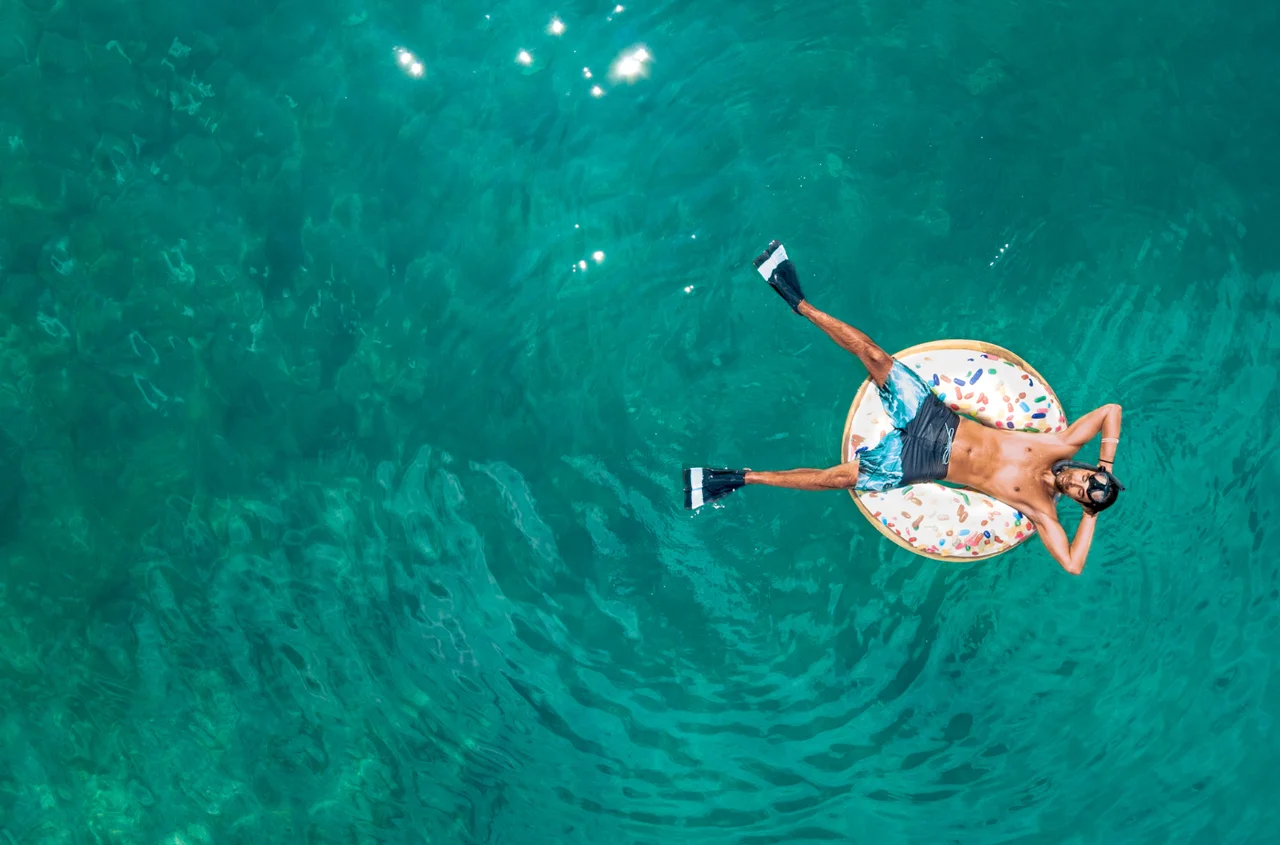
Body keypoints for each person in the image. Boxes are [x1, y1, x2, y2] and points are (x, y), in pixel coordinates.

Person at [683, 241, 1124, 575]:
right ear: (1087, 469)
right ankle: (797, 299)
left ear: (1078, 500)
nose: (1081, 484)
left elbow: (1072, 564)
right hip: (938, 420)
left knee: (837, 478)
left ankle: (738, 478)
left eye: (1085, 492)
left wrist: (1090, 516)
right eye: (1089, 480)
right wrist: (1106, 463)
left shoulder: (1041, 509)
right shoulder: (1058, 444)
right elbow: (1111, 410)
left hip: (923, 462)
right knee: (875, 356)